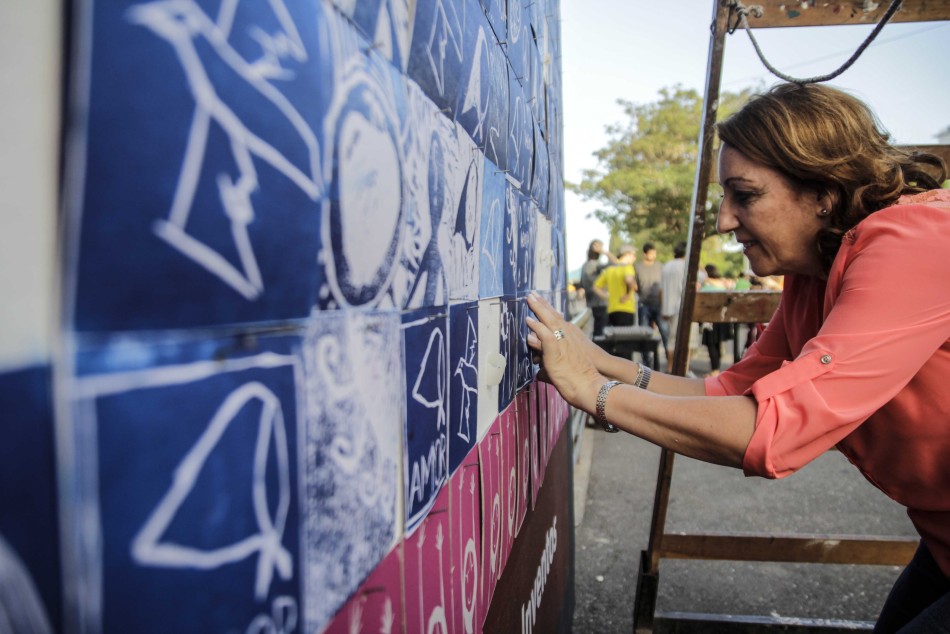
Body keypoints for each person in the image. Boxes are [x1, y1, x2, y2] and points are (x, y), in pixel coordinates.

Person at [525, 82, 949, 631]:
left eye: (744, 195)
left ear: (822, 191)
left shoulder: (915, 240)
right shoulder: (813, 269)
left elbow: (775, 427)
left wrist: (592, 392)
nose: (724, 220)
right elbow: (730, 390)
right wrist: (600, 361)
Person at [635, 242, 668, 365]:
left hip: (659, 304)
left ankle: (669, 358)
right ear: (645, 254)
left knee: (665, 332)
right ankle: (646, 362)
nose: (653, 255)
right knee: (644, 334)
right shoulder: (637, 267)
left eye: (655, 253)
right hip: (644, 304)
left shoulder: (661, 266)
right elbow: (635, 284)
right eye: (651, 253)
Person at [698, 264, 733, 377]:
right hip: (722, 319)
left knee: (711, 344)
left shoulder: (706, 285)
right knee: (718, 344)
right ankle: (716, 368)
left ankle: (714, 370)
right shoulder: (723, 284)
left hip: (709, 320)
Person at [579, 239, 617, 336]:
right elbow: (615, 263)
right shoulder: (595, 265)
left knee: (596, 332)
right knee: (601, 333)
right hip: (601, 303)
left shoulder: (584, 266)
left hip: (591, 304)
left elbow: (581, 285)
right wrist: (603, 251)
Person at [659, 241, 688, 369]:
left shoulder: (667, 266)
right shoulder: (686, 265)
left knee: (671, 340)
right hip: (683, 307)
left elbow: (661, 290)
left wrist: (662, 308)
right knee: (686, 341)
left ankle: (670, 367)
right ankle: (683, 369)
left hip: (668, 307)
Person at [593, 243, 637, 326]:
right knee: (625, 333)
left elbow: (595, 287)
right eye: (633, 255)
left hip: (612, 310)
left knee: (614, 333)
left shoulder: (609, 269)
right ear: (627, 255)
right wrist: (630, 291)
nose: (635, 258)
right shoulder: (628, 267)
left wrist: (607, 296)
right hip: (626, 309)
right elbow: (628, 279)